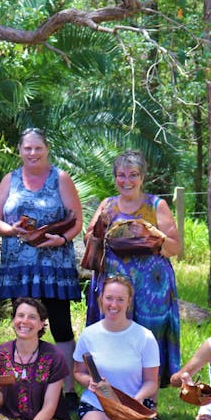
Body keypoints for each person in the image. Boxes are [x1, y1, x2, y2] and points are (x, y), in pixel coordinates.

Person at [0, 128, 83, 408]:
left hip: (54, 264)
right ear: (19, 150)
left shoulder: (60, 178)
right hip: (19, 265)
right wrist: (10, 229)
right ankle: (22, 388)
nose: (32, 153)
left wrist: (62, 238)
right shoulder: (10, 179)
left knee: (61, 325)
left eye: (37, 148)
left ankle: (68, 392)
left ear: (47, 149)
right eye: (27, 148)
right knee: (24, 325)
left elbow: (76, 219)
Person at [84, 150, 181, 387]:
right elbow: (89, 240)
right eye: (121, 175)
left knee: (150, 337)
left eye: (133, 175)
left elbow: (175, 246)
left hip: (151, 287)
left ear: (142, 177)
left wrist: (150, 236)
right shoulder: (107, 205)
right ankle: (112, 392)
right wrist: (101, 226)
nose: (126, 181)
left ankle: (149, 399)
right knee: (113, 334)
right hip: (113, 284)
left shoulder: (156, 205)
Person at [73, 276, 159, 420]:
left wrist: (139, 398)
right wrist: (88, 382)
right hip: (98, 402)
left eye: (120, 299)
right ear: (101, 299)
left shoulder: (144, 337)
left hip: (132, 404)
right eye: (109, 298)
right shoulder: (89, 334)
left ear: (128, 303)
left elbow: (151, 381)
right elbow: (78, 372)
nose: (114, 304)